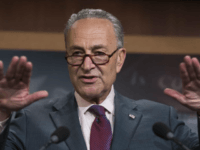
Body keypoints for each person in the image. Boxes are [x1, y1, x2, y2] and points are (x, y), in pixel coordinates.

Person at [0, 9, 200, 150]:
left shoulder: (160, 119)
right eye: (77, 53)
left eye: (99, 53)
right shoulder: (31, 121)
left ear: (119, 59)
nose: (87, 66)